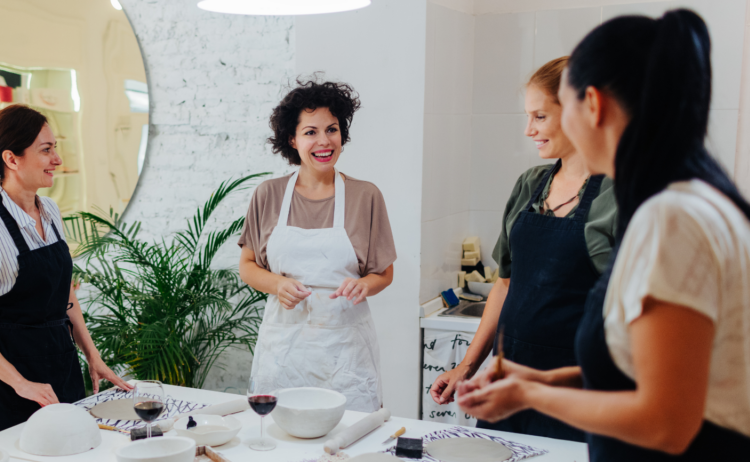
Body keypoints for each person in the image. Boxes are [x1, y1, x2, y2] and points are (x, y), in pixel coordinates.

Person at [459, 10, 750, 462]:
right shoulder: (705, 203)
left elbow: (665, 419)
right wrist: (542, 379)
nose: (536, 129)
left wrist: (530, 396)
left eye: (555, 109)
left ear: (592, 105)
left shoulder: (670, 220)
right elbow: (657, 370)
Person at [430, 56, 617, 442]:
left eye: (540, 117)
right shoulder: (530, 184)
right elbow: (505, 283)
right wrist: (467, 367)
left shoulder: (620, 195)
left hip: (581, 394)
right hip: (509, 385)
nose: (529, 130)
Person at [0, 104, 131, 433]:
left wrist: (92, 356)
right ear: (12, 159)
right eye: (46, 150)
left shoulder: (50, 210)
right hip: (10, 385)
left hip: (62, 367)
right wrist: (21, 384)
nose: (58, 159)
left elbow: (64, 295)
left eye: (55, 148)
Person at [238, 78, 396, 412]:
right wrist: (278, 284)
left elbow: (384, 273)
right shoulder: (268, 194)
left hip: (346, 356)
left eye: (332, 130)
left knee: (349, 436)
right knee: (280, 432)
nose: (324, 141)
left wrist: (363, 285)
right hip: (283, 353)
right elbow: (248, 266)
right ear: (292, 139)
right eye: (310, 132)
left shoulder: (366, 196)